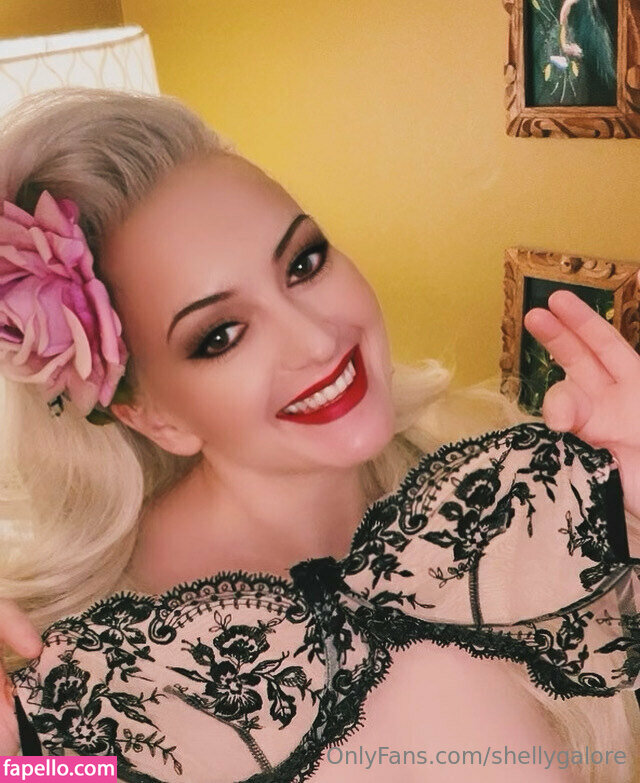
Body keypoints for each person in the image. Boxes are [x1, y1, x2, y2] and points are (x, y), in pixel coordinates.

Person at [0, 87, 638, 783]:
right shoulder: (83, 683)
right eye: (222, 335)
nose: (317, 340)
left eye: (303, 263)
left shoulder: (513, 489)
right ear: (155, 417)